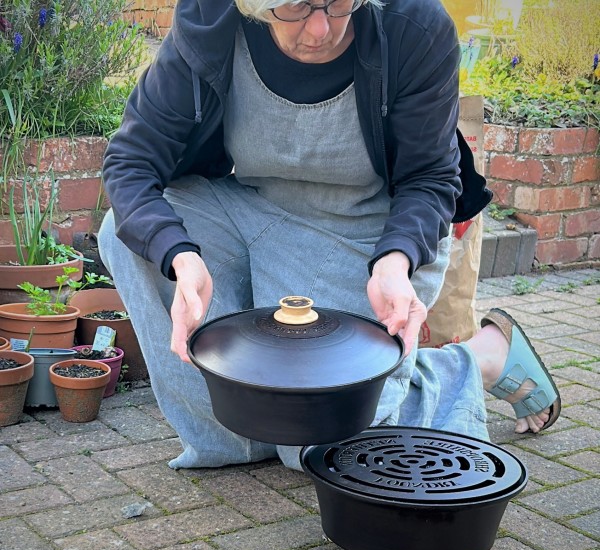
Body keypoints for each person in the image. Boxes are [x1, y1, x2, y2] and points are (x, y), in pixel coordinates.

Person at [98, 0, 561, 471]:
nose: (321, 29)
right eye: (295, 8)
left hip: (368, 233)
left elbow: (430, 180)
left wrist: (395, 262)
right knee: (127, 233)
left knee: (320, 446)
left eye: (338, 2)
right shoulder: (210, 20)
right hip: (250, 206)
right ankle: (237, 435)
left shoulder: (413, 26)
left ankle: (476, 359)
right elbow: (130, 161)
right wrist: (181, 257)